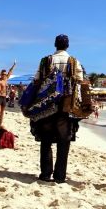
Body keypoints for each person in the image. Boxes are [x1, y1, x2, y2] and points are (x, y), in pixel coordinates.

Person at [31, 34, 84, 184]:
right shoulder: (74, 61)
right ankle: (60, 176)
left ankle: (46, 173)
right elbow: (79, 80)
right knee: (63, 141)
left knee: (46, 139)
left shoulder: (46, 60)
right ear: (67, 45)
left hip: (46, 105)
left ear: (55, 44)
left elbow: (37, 80)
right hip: (65, 106)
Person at [0, 61, 16, 126]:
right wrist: (0, 89)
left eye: (5, 74)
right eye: (3, 74)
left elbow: (10, 72)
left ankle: (0, 123)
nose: (4, 75)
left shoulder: (5, 79)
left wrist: (14, 65)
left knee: (2, 112)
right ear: (1, 74)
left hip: (4, 97)